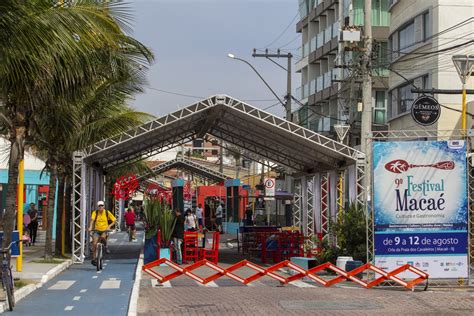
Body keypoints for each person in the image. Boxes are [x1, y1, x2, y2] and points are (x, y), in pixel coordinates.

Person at [88, 201, 116, 266]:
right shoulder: (95, 213)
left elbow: (114, 220)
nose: (101, 207)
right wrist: (90, 227)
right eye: (99, 206)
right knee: (94, 244)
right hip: (97, 230)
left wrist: (109, 226)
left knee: (103, 237)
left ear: (104, 206)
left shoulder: (107, 212)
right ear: (98, 207)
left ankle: (106, 246)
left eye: (102, 206)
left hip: (104, 230)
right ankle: (94, 258)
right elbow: (92, 221)